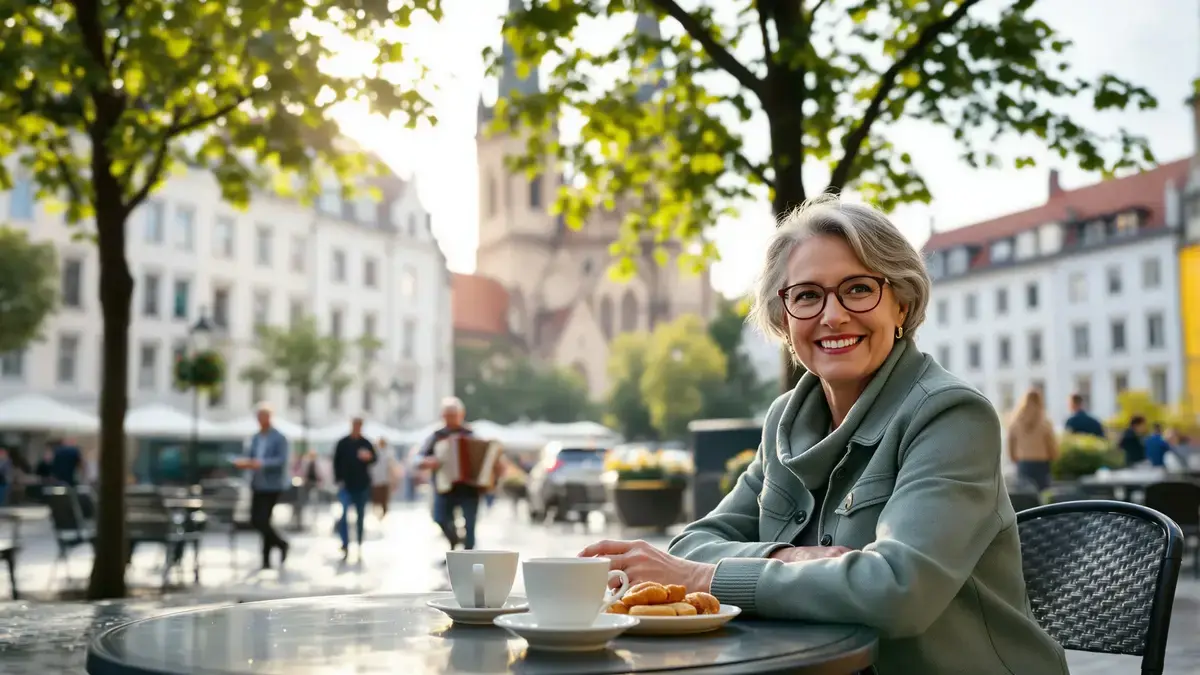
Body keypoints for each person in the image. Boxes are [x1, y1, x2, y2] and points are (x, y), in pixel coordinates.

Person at [578, 196, 1066, 674]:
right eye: (808, 295)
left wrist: (707, 578)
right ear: (784, 320)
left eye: (857, 289)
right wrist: (790, 556)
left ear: (902, 304)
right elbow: (693, 543)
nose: (832, 315)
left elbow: (899, 590)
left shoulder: (951, 415)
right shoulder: (785, 421)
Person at [419, 397, 480, 552]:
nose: (450, 418)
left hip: (469, 487)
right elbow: (418, 458)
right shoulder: (436, 436)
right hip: (444, 487)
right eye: (447, 415)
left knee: (470, 523)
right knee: (440, 518)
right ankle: (454, 546)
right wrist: (428, 461)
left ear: (461, 415)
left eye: (454, 415)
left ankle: (469, 554)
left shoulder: (471, 435)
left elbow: (484, 457)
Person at [233, 403, 291, 569]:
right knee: (257, 520)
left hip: (273, 485)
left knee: (263, 520)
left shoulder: (280, 437)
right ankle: (274, 551)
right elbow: (250, 456)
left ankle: (276, 549)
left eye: (263, 417)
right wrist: (245, 463)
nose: (260, 421)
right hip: (256, 483)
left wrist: (261, 464)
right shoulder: (256, 437)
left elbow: (282, 460)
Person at [332, 416, 376, 560]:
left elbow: (374, 458)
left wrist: (368, 457)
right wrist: (338, 479)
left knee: (360, 516)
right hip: (346, 485)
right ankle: (345, 543)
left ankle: (359, 543)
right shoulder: (343, 443)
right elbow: (336, 461)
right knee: (344, 515)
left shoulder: (366, 443)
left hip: (362, 485)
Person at [1006, 388, 1059, 491]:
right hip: (1041, 464)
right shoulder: (1045, 423)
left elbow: (1011, 449)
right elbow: (1052, 450)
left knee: (1026, 498)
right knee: (1042, 499)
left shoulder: (1015, 423)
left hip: (1023, 463)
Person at [369, 437, 396, 520]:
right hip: (375, 481)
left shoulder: (388, 453)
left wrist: (392, 480)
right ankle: (378, 516)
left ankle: (382, 516)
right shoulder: (373, 453)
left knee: (384, 501)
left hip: (384, 481)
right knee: (376, 501)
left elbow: (391, 467)